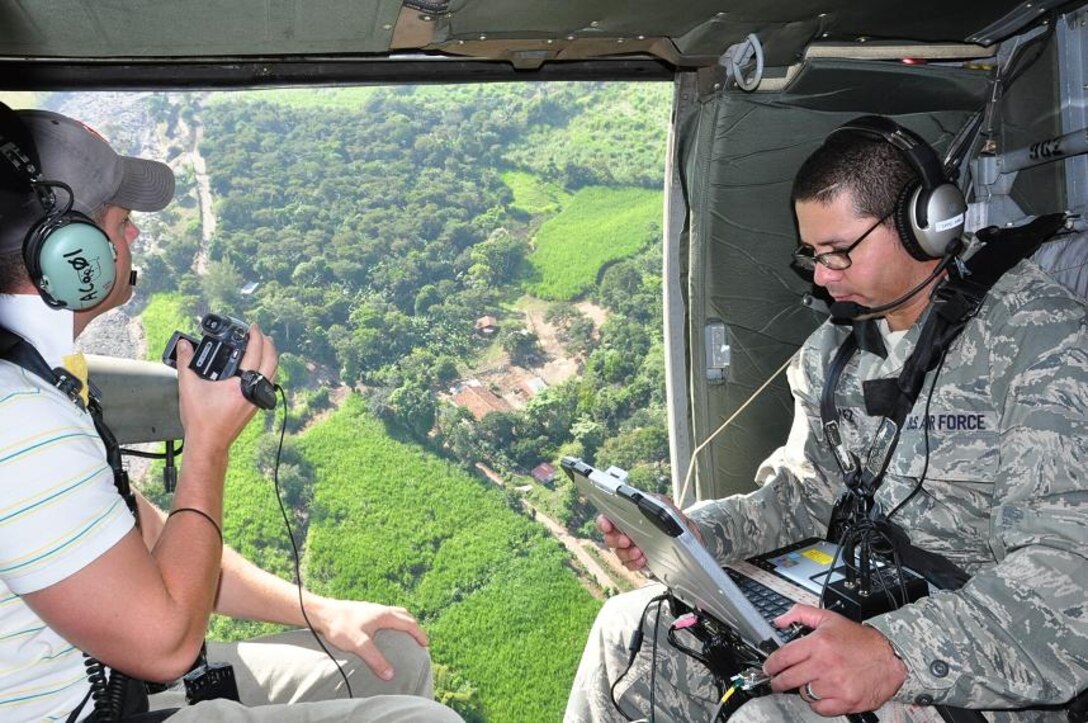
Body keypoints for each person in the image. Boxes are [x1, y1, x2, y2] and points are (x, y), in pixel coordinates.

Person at [565, 115, 1088, 722]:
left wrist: (895, 652)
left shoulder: (1045, 346)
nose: (821, 276)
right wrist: (700, 538)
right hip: (855, 603)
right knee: (627, 632)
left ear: (926, 226)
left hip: (978, 659)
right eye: (812, 255)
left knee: (771, 713)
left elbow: (1067, 574)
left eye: (840, 253)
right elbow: (803, 497)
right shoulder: (831, 352)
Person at [0, 106, 462, 722]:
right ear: (68, 255)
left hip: (118, 674)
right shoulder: (22, 420)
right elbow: (165, 645)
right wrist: (208, 445)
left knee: (391, 656)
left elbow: (151, 538)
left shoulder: (39, 371)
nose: (133, 234)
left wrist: (316, 609)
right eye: (119, 221)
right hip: (95, 701)